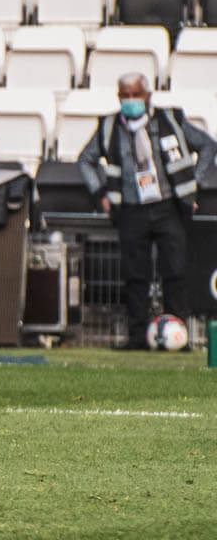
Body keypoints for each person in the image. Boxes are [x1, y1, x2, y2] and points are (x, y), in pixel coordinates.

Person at [77, 72, 216, 349]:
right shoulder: (109, 126)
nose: (131, 101)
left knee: (174, 271)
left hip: (169, 206)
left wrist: (193, 185)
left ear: (148, 96)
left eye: (135, 95)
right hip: (130, 208)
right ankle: (137, 336)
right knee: (135, 275)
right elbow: (85, 160)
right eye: (125, 96)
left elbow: (208, 146)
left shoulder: (171, 120)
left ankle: (177, 333)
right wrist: (100, 194)